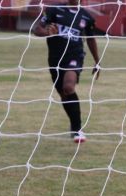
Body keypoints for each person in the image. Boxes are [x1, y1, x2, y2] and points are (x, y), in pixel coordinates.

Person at [34, 0, 100, 143]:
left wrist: (97, 61)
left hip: (75, 56)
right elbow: (37, 29)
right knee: (64, 94)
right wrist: (46, 32)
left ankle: (77, 130)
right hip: (55, 59)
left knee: (68, 87)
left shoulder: (86, 17)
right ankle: (74, 124)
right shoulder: (54, 10)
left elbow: (90, 39)